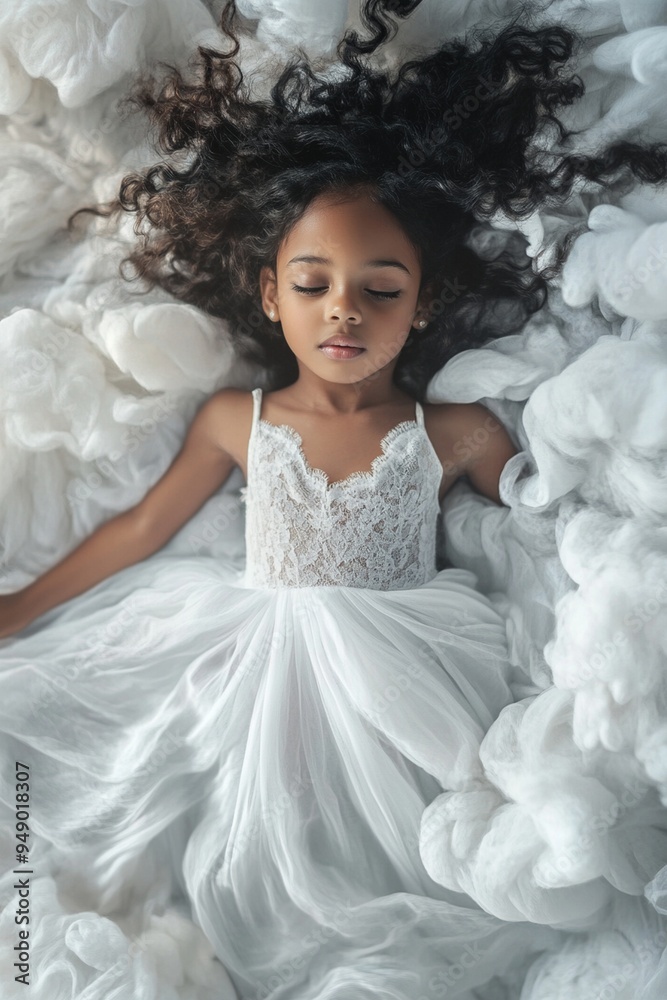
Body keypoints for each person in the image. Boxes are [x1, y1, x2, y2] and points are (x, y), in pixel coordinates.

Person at [1, 2, 667, 996]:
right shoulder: (239, 418)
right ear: (270, 293)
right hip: (252, 662)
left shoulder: (455, 432)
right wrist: (21, 608)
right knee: (216, 828)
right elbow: (144, 527)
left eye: (379, 287)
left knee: (406, 864)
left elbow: (553, 527)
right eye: (314, 283)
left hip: (411, 675)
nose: (343, 309)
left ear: (425, 303)